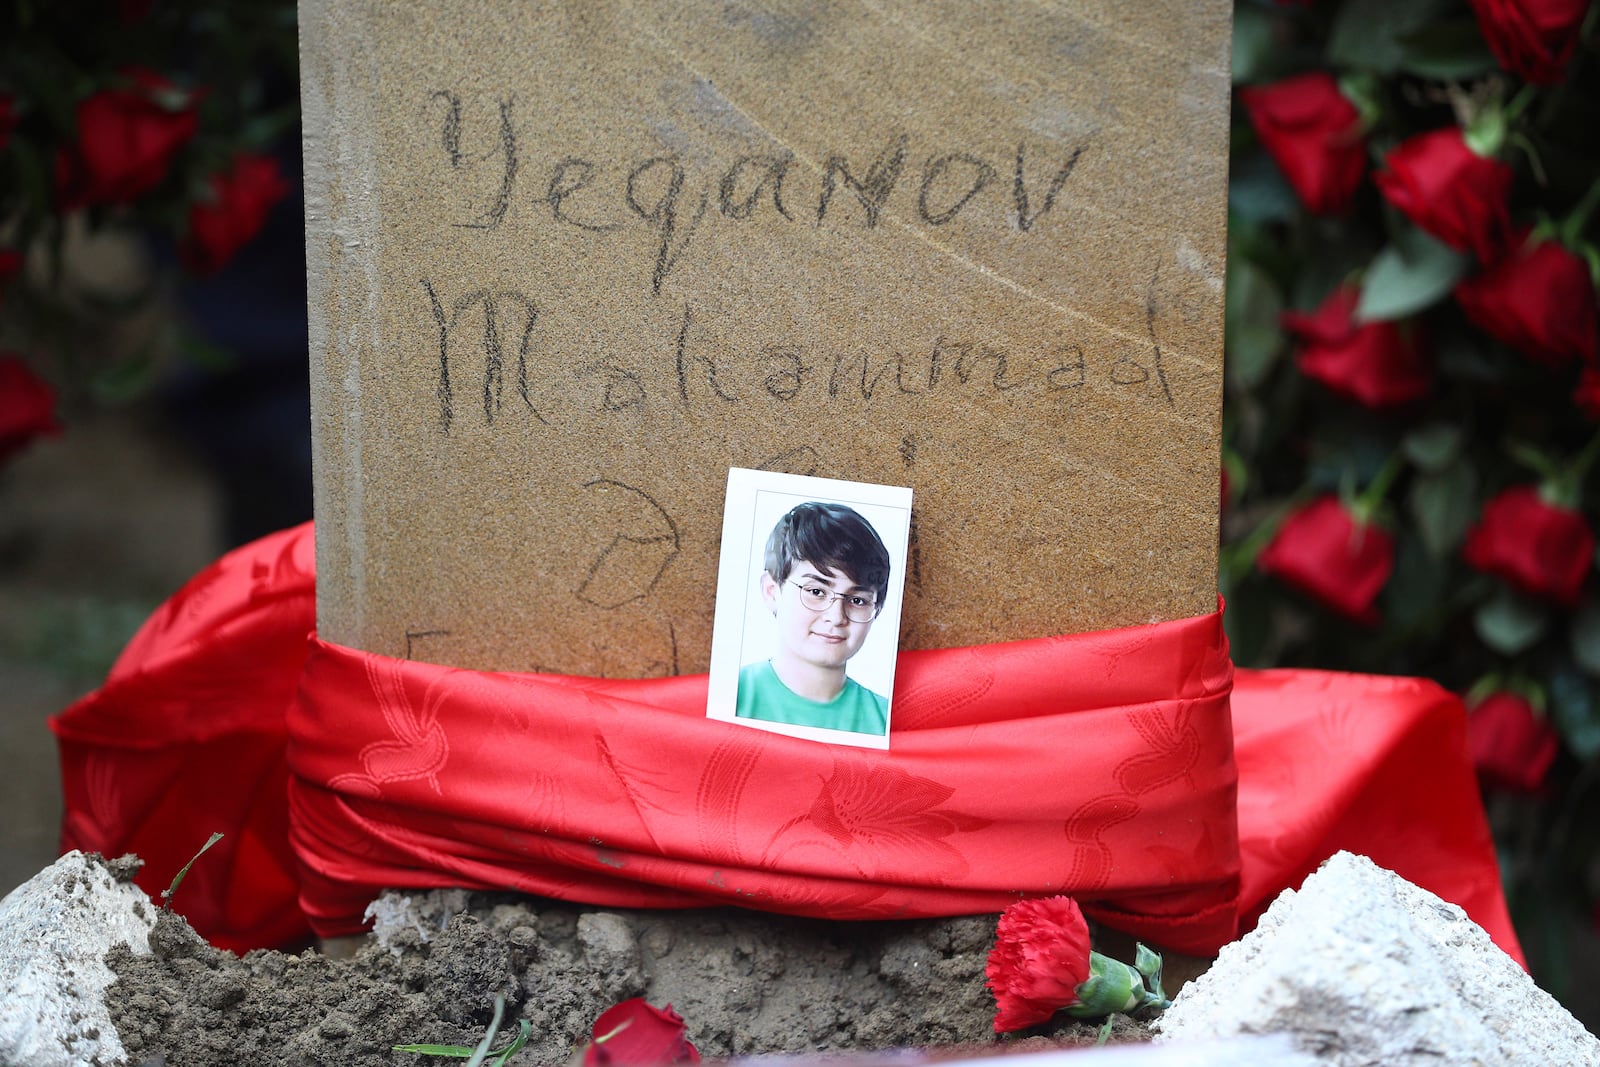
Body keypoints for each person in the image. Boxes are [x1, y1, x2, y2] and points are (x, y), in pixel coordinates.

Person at [736, 501, 891, 734]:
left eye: (857, 600)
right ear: (771, 590)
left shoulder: (885, 720)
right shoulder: (731, 695)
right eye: (816, 592)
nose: (836, 617)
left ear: (876, 609)